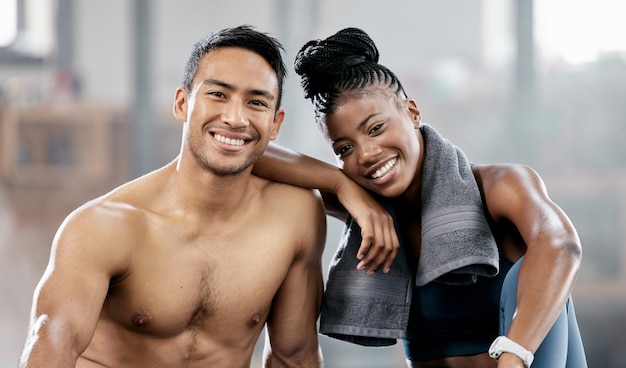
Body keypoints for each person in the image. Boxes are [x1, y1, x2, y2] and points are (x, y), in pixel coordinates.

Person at [252, 27, 588, 367]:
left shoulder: (497, 185)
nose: (366, 154)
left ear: (413, 112)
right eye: (345, 148)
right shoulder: (366, 210)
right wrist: (343, 187)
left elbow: (560, 245)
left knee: (525, 274)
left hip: (529, 362)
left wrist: (514, 354)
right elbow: (245, 156)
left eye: (376, 128)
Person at [18, 25, 332, 368]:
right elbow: (51, 346)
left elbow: (294, 358)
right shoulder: (101, 228)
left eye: (256, 102)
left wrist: (345, 188)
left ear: (275, 124)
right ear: (183, 104)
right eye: (218, 95)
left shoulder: (295, 217)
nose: (234, 118)